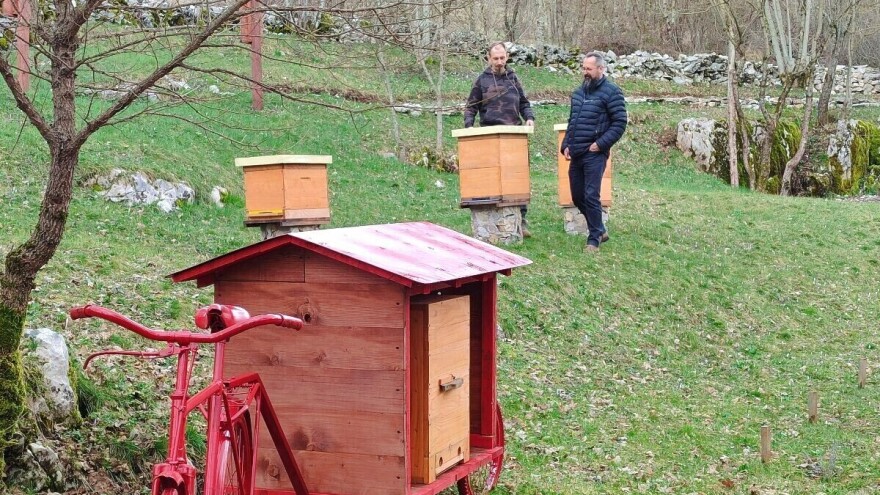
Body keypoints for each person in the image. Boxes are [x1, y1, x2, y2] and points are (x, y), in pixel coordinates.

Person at [464, 42, 536, 237]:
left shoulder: (513, 79)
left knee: (518, 176)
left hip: (514, 134)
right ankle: (493, 215)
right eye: (495, 58)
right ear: (489, 58)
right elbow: (471, 107)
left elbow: (524, 103)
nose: (499, 62)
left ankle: (522, 220)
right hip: (489, 135)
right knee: (494, 178)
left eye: (502, 58)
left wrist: (529, 118)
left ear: (507, 57)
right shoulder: (481, 81)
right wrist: (469, 128)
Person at [561, 51, 627, 252]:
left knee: (591, 195)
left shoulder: (612, 92)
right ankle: (600, 229)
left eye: (589, 69)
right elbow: (572, 122)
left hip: (595, 153)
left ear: (601, 69)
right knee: (577, 196)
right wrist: (565, 145)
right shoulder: (578, 93)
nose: (585, 72)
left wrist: (600, 144)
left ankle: (593, 239)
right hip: (577, 152)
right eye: (584, 68)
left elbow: (620, 123)